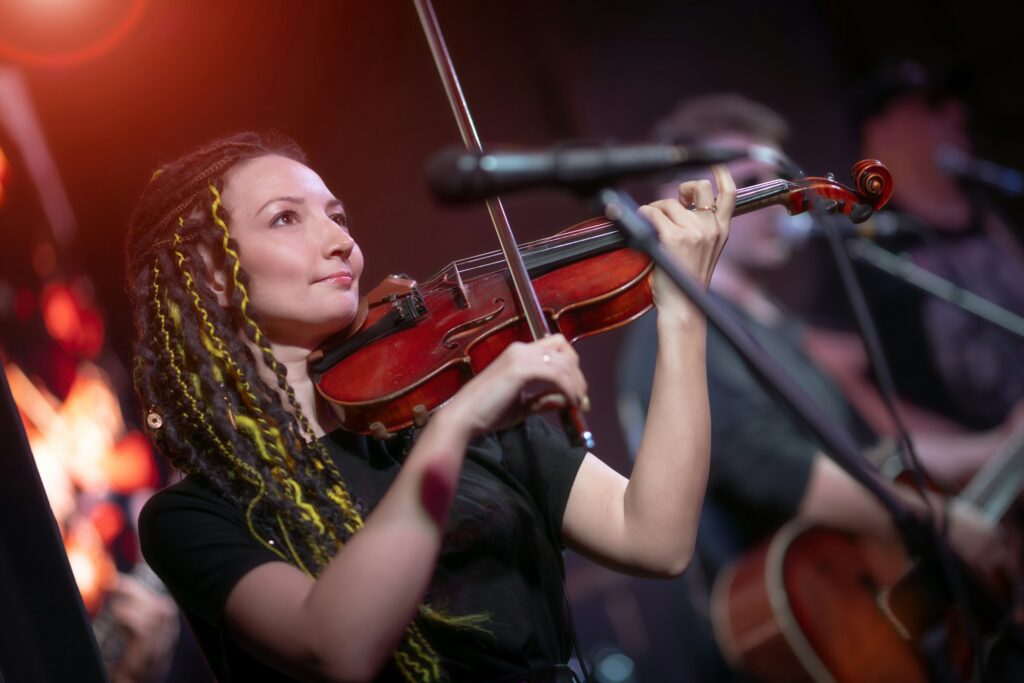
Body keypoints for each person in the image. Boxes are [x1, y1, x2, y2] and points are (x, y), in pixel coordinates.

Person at [126, 131, 733, 683]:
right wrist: (456, 426)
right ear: (210, 272)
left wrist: (682, 312)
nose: (340, 242)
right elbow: (334, 643)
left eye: (339, 217)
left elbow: (654, 538)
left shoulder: (445, 396)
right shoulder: (194, 517)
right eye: (286, 219)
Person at [617, 94, 1019, 682]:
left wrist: (1000, 446)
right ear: (694, 201)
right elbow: (785, 473)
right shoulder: (676, 336)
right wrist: (944, 526)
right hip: (805, 624)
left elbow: (873, 458)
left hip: (862, 588)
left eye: (782, 178)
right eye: (753, 181)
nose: (784, 198)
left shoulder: (777, 323)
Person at [822, 61, 1024, 432]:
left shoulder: (993, 209)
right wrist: (968, 457)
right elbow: (835, 368)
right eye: (931, 105)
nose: (955, 113)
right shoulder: (862, 243)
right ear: (880, 131)